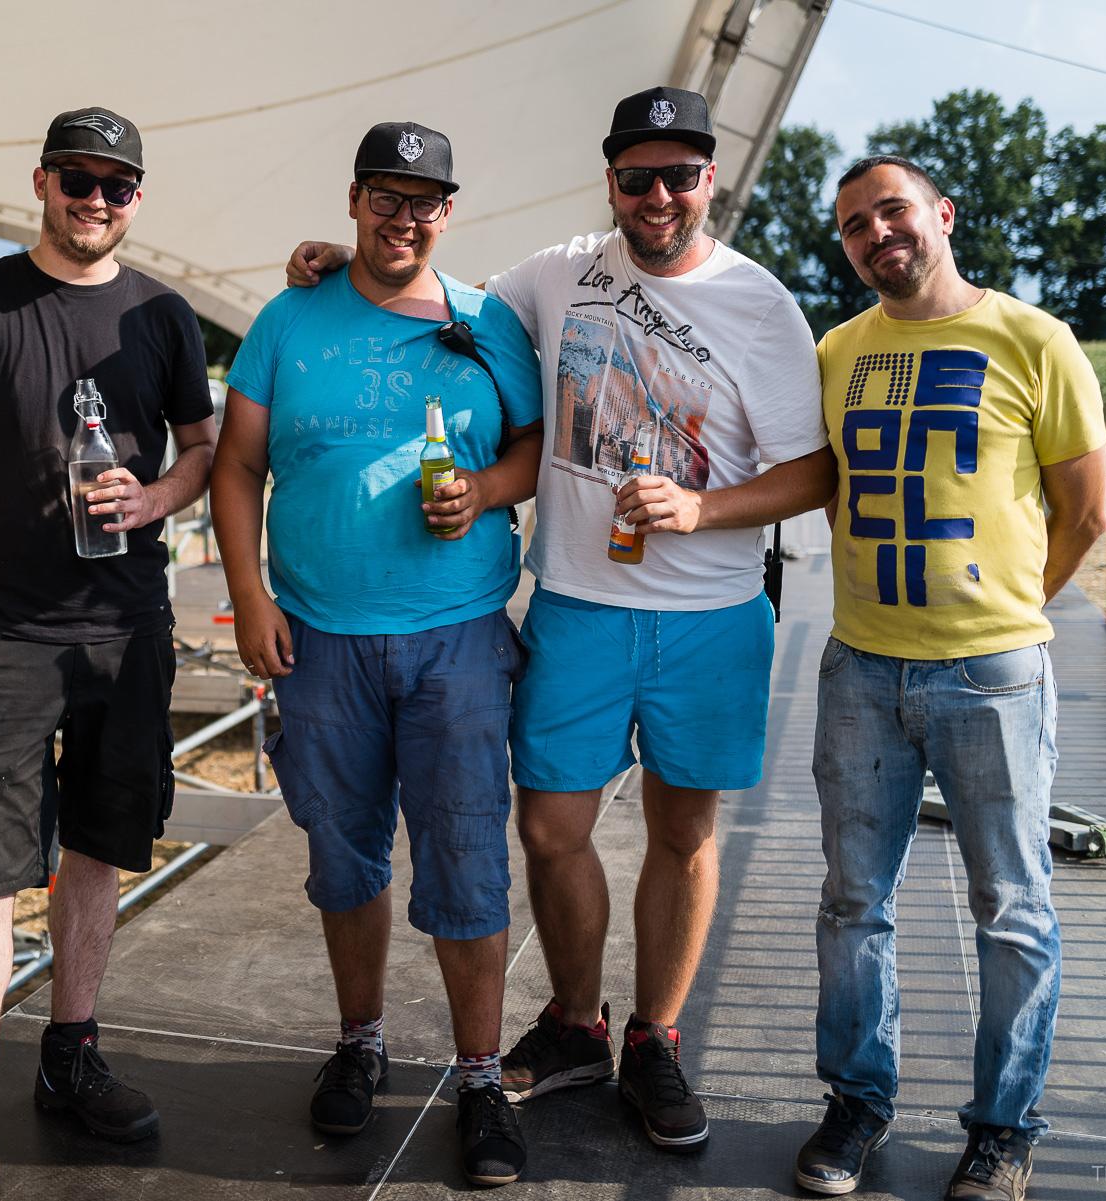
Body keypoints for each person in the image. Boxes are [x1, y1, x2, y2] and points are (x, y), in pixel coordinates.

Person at [287, 86, 834, 1151]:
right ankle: (577, 1020)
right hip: (579, 604)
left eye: (681, 175)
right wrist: (338, 267)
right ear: (612, 181)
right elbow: (438, 296)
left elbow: (815, 471)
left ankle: (655, 1038)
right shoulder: (553, 275)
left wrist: (705, 508)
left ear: (709, 180)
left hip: (712, 613)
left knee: (683, 833)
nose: (659, 196)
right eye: (639, 177)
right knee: (549, 829)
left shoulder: (760, 302)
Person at [215, 119, 543, 1189]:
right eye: (386, 198)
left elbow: (536, 448)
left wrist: (486, 491)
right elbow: (236, 469)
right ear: (354, 200)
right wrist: (247, 594)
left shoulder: (489, 321)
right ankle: (359, 1040)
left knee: (467, 858)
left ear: (449, 212)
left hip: (455, 638)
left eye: (426, 201)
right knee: (342, 857)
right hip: (319, 641)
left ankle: (482, 1075)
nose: (406, 218)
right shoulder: (287, 317)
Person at [0, 106, 217, 1200]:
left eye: (118, 185)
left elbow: (202, 451)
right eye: (79, 180)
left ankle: (71, 1055)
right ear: (41, 181)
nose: (97, 200)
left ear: (139, 195)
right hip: (4, 634)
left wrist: (157, 496)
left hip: (126, 631)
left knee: (97, 850)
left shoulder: (166, 315)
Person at [792, 155, 1106, 1201]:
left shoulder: (1034, 340)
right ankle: (857, 1102)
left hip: (993, 676)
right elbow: (836, 485)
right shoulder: (839, 348)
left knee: (1013, 908)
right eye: (853, 226)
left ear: (942, 215)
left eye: (893, 211)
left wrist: (1007, 614)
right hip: (860, 671)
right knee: (852, 904)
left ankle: (1003, 1129)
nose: (876, 233)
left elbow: (1086, 513)